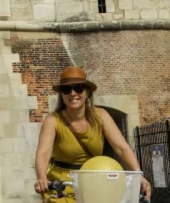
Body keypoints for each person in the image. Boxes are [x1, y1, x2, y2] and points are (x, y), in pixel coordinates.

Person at [34, 67, 152, 201]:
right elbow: (43, 153)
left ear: (87, 92)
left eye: (78, 88)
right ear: (62, 94)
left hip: (93, 184)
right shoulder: (53, 120)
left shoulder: (101, 116)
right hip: (61, 186)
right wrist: (42, 178)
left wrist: (138, 175)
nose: (73, 93)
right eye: (66, 89)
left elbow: (121, 148)